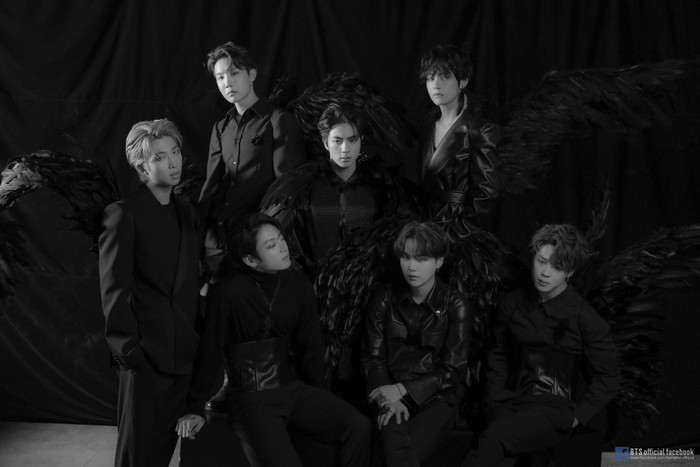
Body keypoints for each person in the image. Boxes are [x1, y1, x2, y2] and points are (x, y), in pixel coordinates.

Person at [176, 213, 372, 467]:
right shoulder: (228, 291)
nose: (283, 247)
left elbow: (310, 349)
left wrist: (322, 398)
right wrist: (195, 407)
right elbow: (211, 350)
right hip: (250, 398)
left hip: (291, 390)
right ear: (250, 259)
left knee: (359, 426)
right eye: (271, 245)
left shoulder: (298, 285)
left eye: (281, 239)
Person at [462, 224, 621, 466]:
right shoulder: (512, 303)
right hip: (507, 401)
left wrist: (577, 417)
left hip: (553, 409)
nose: (545, 272)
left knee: (495, 439)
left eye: (557, 267)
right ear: (534, 256)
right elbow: (499, 353)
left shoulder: (584, 317)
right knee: (500, 455)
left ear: (570, 272)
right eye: (542, 261)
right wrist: (494, 396)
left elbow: (609, 377)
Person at [99, 119, 200, 467]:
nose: (173, 163)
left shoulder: (186, 210)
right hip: (144, 360)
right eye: (160, 157)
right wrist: (130, 355)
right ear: (143, 167)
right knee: (137, 459)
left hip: (184, 353)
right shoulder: (122, 214)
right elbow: (113, 291)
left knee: (165, 456)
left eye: (175, 152)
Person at [362, 220, 471, 467]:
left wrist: (403, 390)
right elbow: (373, 358)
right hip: (387, 390)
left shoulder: (456, 304)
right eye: (406, 257)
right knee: (395, 443)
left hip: (437, 397)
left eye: (422, 259)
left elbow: (453, 371)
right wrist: (388, 397)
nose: (412, 267)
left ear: (439, 262)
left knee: (400, 454)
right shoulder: (385, 297)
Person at [198, 41, 307, 275]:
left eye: (234, 73)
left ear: (252, 75)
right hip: (217, 242)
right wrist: (200, 237)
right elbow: (211, 188)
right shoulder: (220, 128)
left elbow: (286, 193)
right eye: (220, 77)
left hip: (255, 245)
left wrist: (260, 239)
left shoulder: (278, 121)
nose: (227, 83)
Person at [418, 44, 500, 234]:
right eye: (430, 78)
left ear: (463, 81)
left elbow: (487, 195)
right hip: (425, 226)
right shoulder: (427, 127)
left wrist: (457, 230)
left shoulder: (480, 130)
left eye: (444, 77)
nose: (436, 85)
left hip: (459, 231)